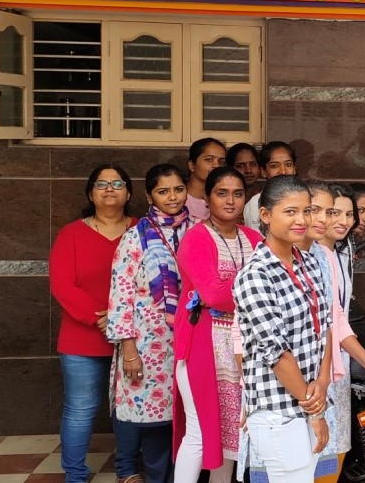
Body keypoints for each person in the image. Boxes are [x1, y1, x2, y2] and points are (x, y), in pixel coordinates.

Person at [235, 175, 333, 482]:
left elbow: (325, 326)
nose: (302, 220)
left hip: (310, 398)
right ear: (265, 215)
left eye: (306, 211)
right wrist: (313, 409)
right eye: (290, 211)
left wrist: (323, 381)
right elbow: (276, 353)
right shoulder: (255, 274)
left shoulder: (309, 262)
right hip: (278, 409)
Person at [172, 167, 262, 483]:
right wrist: (255, 293)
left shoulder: (254, 238)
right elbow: (212, 294)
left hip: (245, 349)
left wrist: (234, 292)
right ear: (207, 198)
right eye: (222, 193)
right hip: (203, 346)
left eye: (237, 194)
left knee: (231, 434)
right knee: (200, 431)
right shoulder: (196, 238)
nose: (230, 201)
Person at [49, 165, 137, 483]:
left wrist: (119, 321)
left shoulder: (143, 230)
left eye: (117, 183)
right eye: (101, 184)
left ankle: (127, 471)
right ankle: (75, 474)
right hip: (82, 337)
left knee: (130, 409)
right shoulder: (71, 234)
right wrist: (101, 318)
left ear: (128, 193)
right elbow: (62, 284)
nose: (109, 188)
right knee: (80, 408)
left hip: (134, 339)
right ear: (90, 193)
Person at [107, 164, 194, 483]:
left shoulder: (199, 232)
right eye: (163, 191)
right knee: (156, 424)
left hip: (192, 340)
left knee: (191, 422)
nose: (172, 197)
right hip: (149, 345)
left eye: (178, 189)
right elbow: (121, 296)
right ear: (149, 196)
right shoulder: (135, 237)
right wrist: (129, 351)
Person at [303, 181, 365, 482]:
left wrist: (364, 358)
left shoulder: (329, 255)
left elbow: (336, 315)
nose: (340, 220)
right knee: (303, 454)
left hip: (333, 366)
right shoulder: (284, 257)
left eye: (346, 214)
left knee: (334, 448)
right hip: (303, 372)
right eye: (328, 212)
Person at [244, 141, 297, 230]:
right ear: (263, 172)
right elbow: (256, 237)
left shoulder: (305, 198)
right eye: (274, 166)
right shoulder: (255, 204)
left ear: (294, 168)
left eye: (288, 164)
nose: (283, 171)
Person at [185, 138, 228, 222]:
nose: (216, 165)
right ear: (192, 165)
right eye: (209, 159)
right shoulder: (177, 199)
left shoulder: (227, 200)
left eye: (221, 161)